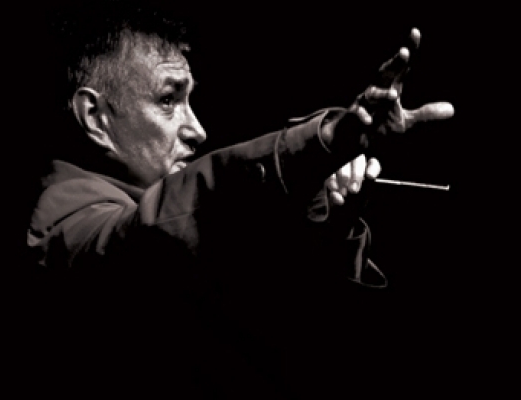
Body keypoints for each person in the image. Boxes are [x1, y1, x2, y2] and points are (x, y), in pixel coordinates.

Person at [24, 2, 454, 398]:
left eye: (188, 100)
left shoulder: (169, 221)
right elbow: (147, 240)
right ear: (95, 117)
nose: (198, 130)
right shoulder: (64, 222)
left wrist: (329, 226)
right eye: (168, 100)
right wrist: (317, 145)